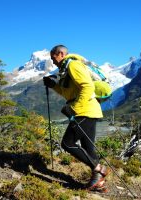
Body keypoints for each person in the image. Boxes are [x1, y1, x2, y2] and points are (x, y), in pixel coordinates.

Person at [43, 45, 110, 191]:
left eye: (53, 57)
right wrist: (53, 85)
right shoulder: (65, 69)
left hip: (84, 111)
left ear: (60, 54)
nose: (52, 61)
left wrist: (74, 108)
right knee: (88, 147)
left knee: (67, 143)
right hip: (89, 111)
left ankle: (99, 168)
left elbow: (87, 87)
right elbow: (68, 93)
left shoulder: (73, 65)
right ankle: (99, 182)